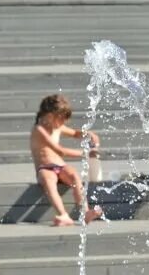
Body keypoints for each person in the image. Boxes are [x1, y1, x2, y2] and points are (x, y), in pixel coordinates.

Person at [28, 94, 103, 227]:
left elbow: (75, 133)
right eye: (62, 119)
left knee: (74, 176)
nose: (64, 123)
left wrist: (88, 134)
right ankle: (63, 214)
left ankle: (85, 212)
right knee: (48, 180)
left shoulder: (57, 127)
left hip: (60, 166)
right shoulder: (39, 130)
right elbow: (60, 151)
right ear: (50, 116)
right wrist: (85, 153)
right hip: (45, 167)